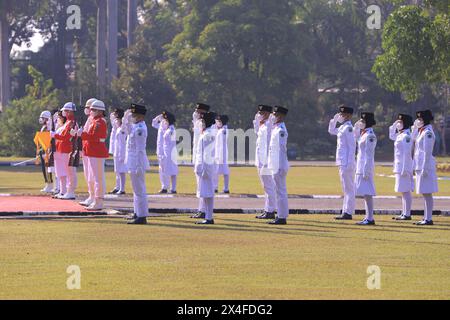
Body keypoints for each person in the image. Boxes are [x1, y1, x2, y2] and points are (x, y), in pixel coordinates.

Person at [78, 99, 109, 210]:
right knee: (93, 176)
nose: (91, 111)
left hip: (97, 151)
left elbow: (94, 136)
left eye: (93, 109)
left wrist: (82, 134)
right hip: (92, 151)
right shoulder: (94, 121)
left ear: (100, 111)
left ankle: (99, 201)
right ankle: (95, 199)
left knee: (98, 178)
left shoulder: (100, 122)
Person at [123, 103, 151, 225]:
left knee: (140, 189)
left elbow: (139, 149)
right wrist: (126, 119)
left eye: (134, 115)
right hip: (132, 161)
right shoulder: (135, 126)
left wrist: (139, 164)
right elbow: (127, 131)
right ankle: (137, 212)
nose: (132, 117)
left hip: (137, 161)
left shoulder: (140, 129)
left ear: (140, 116)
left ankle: (142, 216)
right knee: (136, 189)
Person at [328, 105, 356, 220]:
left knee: (349, 188)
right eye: (340, 114)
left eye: (343, 114)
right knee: (346, 188)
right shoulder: (343, 127)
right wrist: (334, 120)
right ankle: (345, 211)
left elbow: (351, 146)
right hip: (342, 161)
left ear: (349, 116)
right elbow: (331, 130)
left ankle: (348, 212)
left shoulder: (349, 128)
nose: (341, 116)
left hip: (346, 162)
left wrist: (349, 162)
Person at [413, 110, 438, 226]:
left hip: (425, 166)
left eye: (420, 119)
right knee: (424, 193)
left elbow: (427, 152)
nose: (418, 121)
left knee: (427, 193)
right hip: (421, 165)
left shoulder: (427, 132)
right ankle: (426, 217)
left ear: (425, 120)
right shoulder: (421, 132)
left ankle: (428, 219)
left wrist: (425, 168)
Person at [389, 114, 414, 221]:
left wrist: (405, 168)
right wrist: (394, 125)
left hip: (404, 167)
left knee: (406, 190)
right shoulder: (400, 135)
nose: (398, 124)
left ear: (406, 124)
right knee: (403, 191)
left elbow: (407, 154)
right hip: (399, 167)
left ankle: (407, 214)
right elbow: (391, 135)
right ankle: (404, 213)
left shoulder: (407, 136)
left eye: (400, 122)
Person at [267, 106, 290, 225]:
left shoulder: (280, 130)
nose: (273, 116)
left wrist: (278, 166)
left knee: (280, 191)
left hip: (279, 165)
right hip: (275, 164)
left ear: (280, 116)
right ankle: (280, 215)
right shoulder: (276, 128)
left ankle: (281, 217)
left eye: (275, 114)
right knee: (279, 191)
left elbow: (281, 150)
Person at [253, 105, 277, 220]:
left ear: (268, 113)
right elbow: (256, 131)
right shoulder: (263, 125)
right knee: (265, 186)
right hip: (260, 159)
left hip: (267, 160)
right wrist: (256, 121)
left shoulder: (269, 124)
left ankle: (271, 210)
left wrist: (270, 117)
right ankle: (267, 209)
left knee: (269, 186)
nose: (260, 114)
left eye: (262, 113)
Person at [354, 112, 377, 226]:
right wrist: (356, 127)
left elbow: (369, 154)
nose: (360, 123)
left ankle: (370, 218)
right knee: (365, 194)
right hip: (361, 166)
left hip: (365, 168)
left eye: (362, 121)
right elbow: (355, 137)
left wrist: (367, 170)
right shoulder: (363, 134)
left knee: (368, 193)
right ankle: (368, 217)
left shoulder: (370, 136)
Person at [194, 111, 217, 225]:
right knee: (206, 193)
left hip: (206, 167)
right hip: (204, 167)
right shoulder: (206, 133)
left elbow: (207, 154)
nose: (201, 123)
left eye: (203, 121)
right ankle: (208, 217)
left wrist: (203, 168)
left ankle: (209, 217)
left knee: (208, 193)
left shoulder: (208, 134)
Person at [51, 102, 78, 200]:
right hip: (61, 149)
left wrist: (55, 135)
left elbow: (66, 137)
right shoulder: (67, 122)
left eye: (66, 111)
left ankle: (69, 191)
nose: (64, 112)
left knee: (68, 172)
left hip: (67, 150)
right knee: (61, 172)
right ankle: (62, 191)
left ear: (70, 111)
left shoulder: (72, 122)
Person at [191, 103, 211, 219]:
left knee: (203, 185)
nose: (196, 113)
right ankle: (201, 209)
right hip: (198, 157)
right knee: (199, 185)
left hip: (204, 160)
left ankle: (203, 210)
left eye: (198, 111)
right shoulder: (199, 123)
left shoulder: (208, 125)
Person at [79, 98, 97, 206]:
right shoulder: (89, 119)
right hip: (86, 148)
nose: (86, 109)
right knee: (87, 174)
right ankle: (91, 195)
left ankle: (94, 196)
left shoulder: (93, 120)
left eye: (88, 107)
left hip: (91, 149)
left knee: (92, 175)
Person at [109, 108, 127, 195]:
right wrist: (113, 116)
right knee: (117, 170)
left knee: (122, 171)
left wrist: (124, 116)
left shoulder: (123, 128)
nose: (115, 121)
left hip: (122, 152)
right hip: (117, 151)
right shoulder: (118, 128)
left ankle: (122, 188)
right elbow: (113, 121)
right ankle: (118, 186)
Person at [161, 111, 178, 194]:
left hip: (170, 153)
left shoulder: (171, 130)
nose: (164, 122)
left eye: (165, 120)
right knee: (169, 170)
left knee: (173, 171)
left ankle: (173, 188)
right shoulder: (168, 129)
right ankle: (170, 188)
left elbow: (171, 143)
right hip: (168, 152)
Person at [152, 112, 169, 193]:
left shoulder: (167, 129)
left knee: (164, 169)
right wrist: (159, 117)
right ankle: (163, 186)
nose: (162, 122)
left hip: (164, 152)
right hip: (159, 151)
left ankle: (165, 187)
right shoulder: (160, 127)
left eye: (164, 120)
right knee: (161, 169)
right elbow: (153, 123)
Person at [37, 111, 54, 193]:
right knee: (44, 168)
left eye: (43, 118)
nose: (41, 119)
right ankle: (47, 183)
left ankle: (50, 184)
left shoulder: (48, 127)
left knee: (47, 168)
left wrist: (46, 151)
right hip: (42, 149)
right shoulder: (44, 127)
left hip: (46, 150)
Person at [214, 115, 230, 194]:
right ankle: (217, 187)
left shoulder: (223, 130)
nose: (217, 123)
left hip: (221, 154)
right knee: (220, 171)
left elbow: (221, 144)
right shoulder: (221, 130)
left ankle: (223, 188)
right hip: (220, 153)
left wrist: (219, 156)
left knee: (224, 171)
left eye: (218, 121)